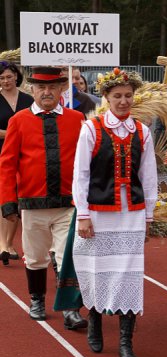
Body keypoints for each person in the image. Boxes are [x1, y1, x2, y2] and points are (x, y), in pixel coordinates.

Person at [71, 68, 157, 357]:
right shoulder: (91, 128)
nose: (123, 101)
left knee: (130, 273)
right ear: (106, 97)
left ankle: (125, 342)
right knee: (98, 270)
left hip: (130, 213)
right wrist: (82, 215)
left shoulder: (142, 131)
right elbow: (80, 174)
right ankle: (94, 317)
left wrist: (148, 216)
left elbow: (149, 177)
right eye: (117, 96)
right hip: (98, 212)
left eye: (128, 96)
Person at [0, 66, 88, 330]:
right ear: (33, 90)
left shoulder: (77, 119)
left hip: (68, 204)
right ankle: (37, 299)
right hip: (32, 202)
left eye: (52, 87)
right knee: (37, 257)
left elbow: (86, 162)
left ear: (62, 89)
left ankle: (69, 308)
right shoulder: (19, 121)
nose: (47, 92)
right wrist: (8, 202)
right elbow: (7, 164)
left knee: (67, 255)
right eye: (41, 87)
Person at [0, 61, 33, 266]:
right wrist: (12, 134)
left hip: (24, 153)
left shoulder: (29, 99)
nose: (5, 81)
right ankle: (3, 244)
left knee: (19, 197)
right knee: (3, 196)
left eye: (9, 77)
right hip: (1, 152)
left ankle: (10, 243)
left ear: (16, 77)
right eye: (2, 78)